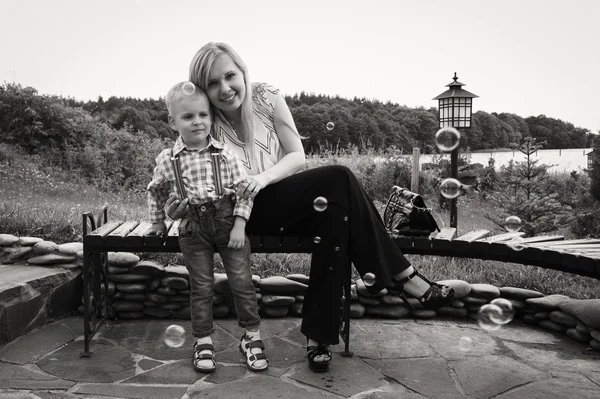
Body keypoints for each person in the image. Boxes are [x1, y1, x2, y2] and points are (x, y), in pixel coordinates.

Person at [165, 42, 454, 373]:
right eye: (212, 83)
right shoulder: (202, 119)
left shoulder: (266, 98)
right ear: (202, 89)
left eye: (230, 76)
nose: (225, 89)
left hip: (277, 197)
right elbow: (181, 173)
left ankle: (319, 335)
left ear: (242, 72)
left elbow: (296, 156)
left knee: (334, 215)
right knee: (340, 177)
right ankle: (404, 276)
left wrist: (262, 179)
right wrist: (176, 208)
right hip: (237, 216)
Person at [146, 81, 268, 373]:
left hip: (228, 225)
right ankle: (203, 341)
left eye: (202, 115)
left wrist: (239, 226)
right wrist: (158, 221)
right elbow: (157, 191)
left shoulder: (225, 154)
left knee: (241, 282)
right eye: (188, 117)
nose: (197, 122)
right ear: (172, 121)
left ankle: (251, 338)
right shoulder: (168, 159)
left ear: (211, 116)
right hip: (192, 230)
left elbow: (243, 192)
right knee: (201, 287)